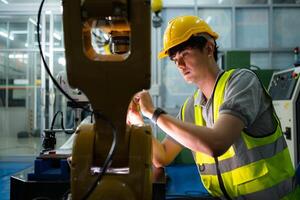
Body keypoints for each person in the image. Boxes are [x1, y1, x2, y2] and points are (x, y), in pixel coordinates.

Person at [127, 15, 299, 199]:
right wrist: (139, 121)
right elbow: (162, 156)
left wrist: (153, 113)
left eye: (185, 54)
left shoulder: (242, 82)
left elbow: (217, 143)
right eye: (175, 59)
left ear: (209, 49)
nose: (180, 64)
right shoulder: (191, 107)